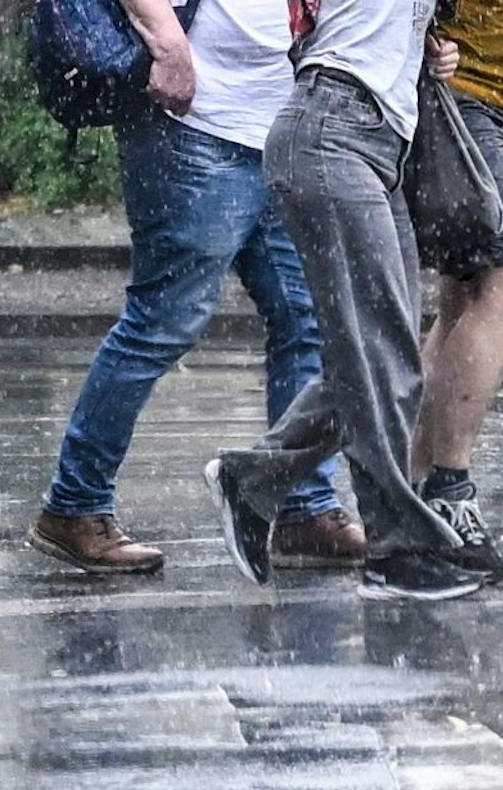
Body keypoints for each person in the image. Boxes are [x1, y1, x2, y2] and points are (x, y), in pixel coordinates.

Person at [27, 0, 367, 576]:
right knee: (161, 324)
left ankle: (301, 507)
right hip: (194, 122)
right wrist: (166, 40)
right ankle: (74, 505)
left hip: (281, 127)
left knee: (306, 320)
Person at [205, 2, 488, 601]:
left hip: (378, 139)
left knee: (384, 352)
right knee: (380, 355)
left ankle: (253, 478)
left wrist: (427, 44)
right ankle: (394, 549)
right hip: (333, 128)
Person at [412, 0, 503, 578]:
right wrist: (425, 35)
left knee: (464, 302)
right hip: (467, 97)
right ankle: (450, 486)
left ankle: (412, 492)